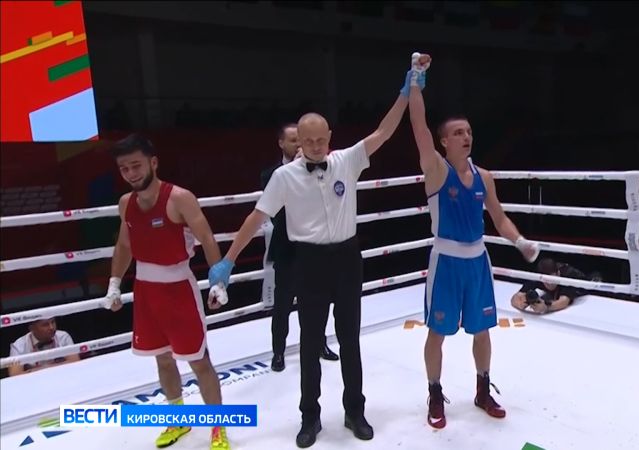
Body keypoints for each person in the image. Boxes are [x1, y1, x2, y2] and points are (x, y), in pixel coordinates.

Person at [208, 54, 417, 448]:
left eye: (322, 140)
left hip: (347, 259)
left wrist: (406, 93)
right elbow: (256, 217)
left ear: (329, 136)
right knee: (309, 344)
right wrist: (229, 259)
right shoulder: (284, 176)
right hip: (308, 262)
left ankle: (355, 411)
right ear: (298, 143)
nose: (317, 147)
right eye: (309, 142)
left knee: (350, 340)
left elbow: (384, 131)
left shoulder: (346, 160)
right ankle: (310, 417)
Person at [407, 56, 540, 429]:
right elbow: (418, 125)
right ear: (444, 141)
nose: (466, 136)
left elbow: (498, 217)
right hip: (446, 263)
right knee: (438, 333)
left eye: (468, 131)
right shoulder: (436, 170)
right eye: (458, 132)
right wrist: (416, 79)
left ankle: (482, 389)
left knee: (482, 331)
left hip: (478, 261)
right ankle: (435, 392)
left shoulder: (485, 176)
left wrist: (520, 241)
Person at [103, 134, 230, 450]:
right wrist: (114, 283)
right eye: (124, 169)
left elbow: (207, 238)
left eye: (136, 165)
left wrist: (219, 281)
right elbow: (124, 245)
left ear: (153, 163)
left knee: (199, 361)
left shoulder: (179, 198)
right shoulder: (125, 203)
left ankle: (218, 427)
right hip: (146, 291)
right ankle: (178, 419)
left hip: (178, 289)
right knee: (162, 360)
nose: (131, 174)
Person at [260, 123, 339, 371]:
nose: (297, 144)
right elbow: (275, 212)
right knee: (282, 305)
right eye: (293, 140)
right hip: (286, 248)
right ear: (281, 143)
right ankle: (278, 352)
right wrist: (294, 172)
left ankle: (320, 344)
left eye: (300, 139)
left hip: (314, 247)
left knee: (317, 301)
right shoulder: (271, 175)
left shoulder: (318, 170)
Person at [510, 258, 586, 314]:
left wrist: (546, 307)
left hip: (586, 285)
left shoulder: (567, 278)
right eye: (545, 280)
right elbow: (517, 296)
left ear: (558, 274)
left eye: (551, 278)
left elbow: (563, 301)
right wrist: (519, 304)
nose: (548, 283)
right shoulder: (539, 277)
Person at [8, 318, 80, 376]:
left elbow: (75, 362)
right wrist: (56, 366)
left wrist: (35, 370)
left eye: (53, 322)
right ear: (32, 328)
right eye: (45, 325)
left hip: (63, 377)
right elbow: (15, 374)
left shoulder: (63, 337)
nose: (51, 327)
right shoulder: (18, 346)